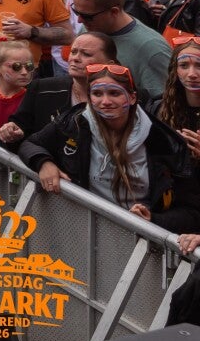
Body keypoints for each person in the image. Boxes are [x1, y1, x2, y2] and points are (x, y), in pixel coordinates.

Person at [19, 63, 200, 239]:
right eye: (97, 94)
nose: (105, 102)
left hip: (139, 241)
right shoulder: (73, 124)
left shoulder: (164, 142)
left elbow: (191, 213)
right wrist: (43, 162)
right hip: (83, 234)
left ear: (132, 98)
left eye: (114, 93)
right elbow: (30, 144)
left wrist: (152, 219)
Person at [70, 0, 173, 106]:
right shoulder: (91, 27)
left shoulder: (151, 48)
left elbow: (163, 105)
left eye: (87, 16)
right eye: (76, 12)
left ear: (114, 11)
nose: (80, 20)